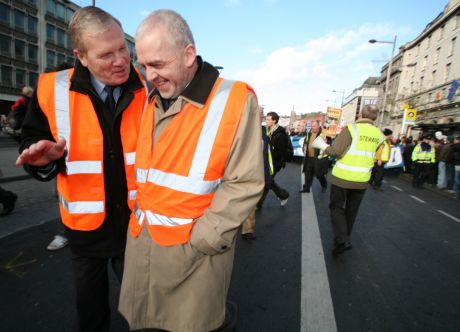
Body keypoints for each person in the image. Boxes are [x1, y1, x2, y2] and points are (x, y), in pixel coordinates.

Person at [118, 10, 264, 332]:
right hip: (143, 255)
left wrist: (201, 242)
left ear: (187, 55)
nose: (149, 74)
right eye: (143, 65)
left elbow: (246, 182)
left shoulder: (234, 100)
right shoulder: (150, 100)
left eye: (157, 64)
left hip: (194, 263)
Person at [16, 6, 147, 332]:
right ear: (81, 56)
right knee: (91, 315)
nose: (120, 60)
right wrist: (45, 160)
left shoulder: (149, 86)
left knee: (147, 313)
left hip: (137, 226)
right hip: (84, 230)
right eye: (106, 54)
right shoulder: (50, 89)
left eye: (123, 49)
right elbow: (32, 143)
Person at [312, 105, 383, 256]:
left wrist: (322, 145)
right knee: (351, 211)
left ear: (360, 114)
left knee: (336, 208)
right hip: (362, 180)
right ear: (375, 117)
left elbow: (335, 151)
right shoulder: (379, 134)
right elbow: (378, 157)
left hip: (343, 178)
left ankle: (342, 240)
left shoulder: (352, 129)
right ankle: (343, 241)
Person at [242, 108, 273, 241]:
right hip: (240, 171)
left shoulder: (263, 131)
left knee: (251, 201)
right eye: (260, 113)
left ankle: (248, 229)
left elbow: (266, 153)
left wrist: (267, 172)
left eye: (263, 114)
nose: (262, 116)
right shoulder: (242, 126)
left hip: (256, 171)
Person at [257, 111, 290, 208]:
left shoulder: (280, 134)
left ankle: (283, 195)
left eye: (268, 119)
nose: (266, 121)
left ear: (274, 121)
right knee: (267, 182)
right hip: (267, 162)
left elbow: (280, 152)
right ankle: (283, 196)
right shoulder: (267, 130)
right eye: (265, 119)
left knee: (268, 182)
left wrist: (269, 157)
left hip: (275, 163)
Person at [299, 120, 329, 193]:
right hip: (309, 157)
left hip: (318, 158)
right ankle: (306, 188)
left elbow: (330, 145)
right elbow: (305, 142)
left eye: (314, 126)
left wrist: (326, 142)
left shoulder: (323, 134)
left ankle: (324, 185)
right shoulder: (309, 133)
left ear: (318, 126)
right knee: (307, 173)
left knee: (319, 174)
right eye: (312, 126)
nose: (312, 128)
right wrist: (304, 147)